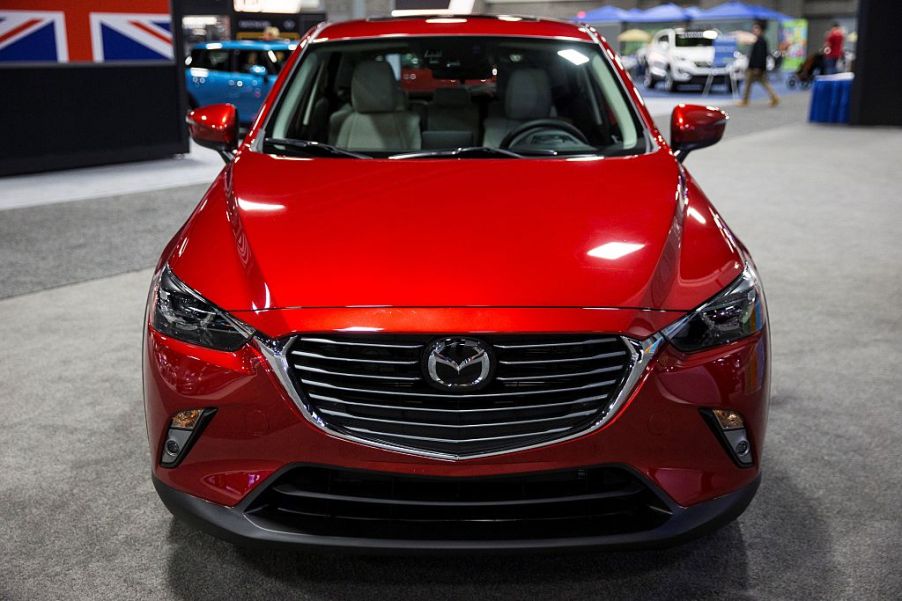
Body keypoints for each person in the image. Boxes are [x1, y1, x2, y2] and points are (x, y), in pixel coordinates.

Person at [738, 21, 779, 107]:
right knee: (761, 83)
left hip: (755, 67)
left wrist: (757, 67)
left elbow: (760, 56)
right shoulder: (759, 40)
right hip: (757, 67)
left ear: (760, 30)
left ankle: (745, 101)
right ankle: (774, 97)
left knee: (749, 84)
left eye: (756, 29)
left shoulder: (760, 41)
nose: (754, 30)